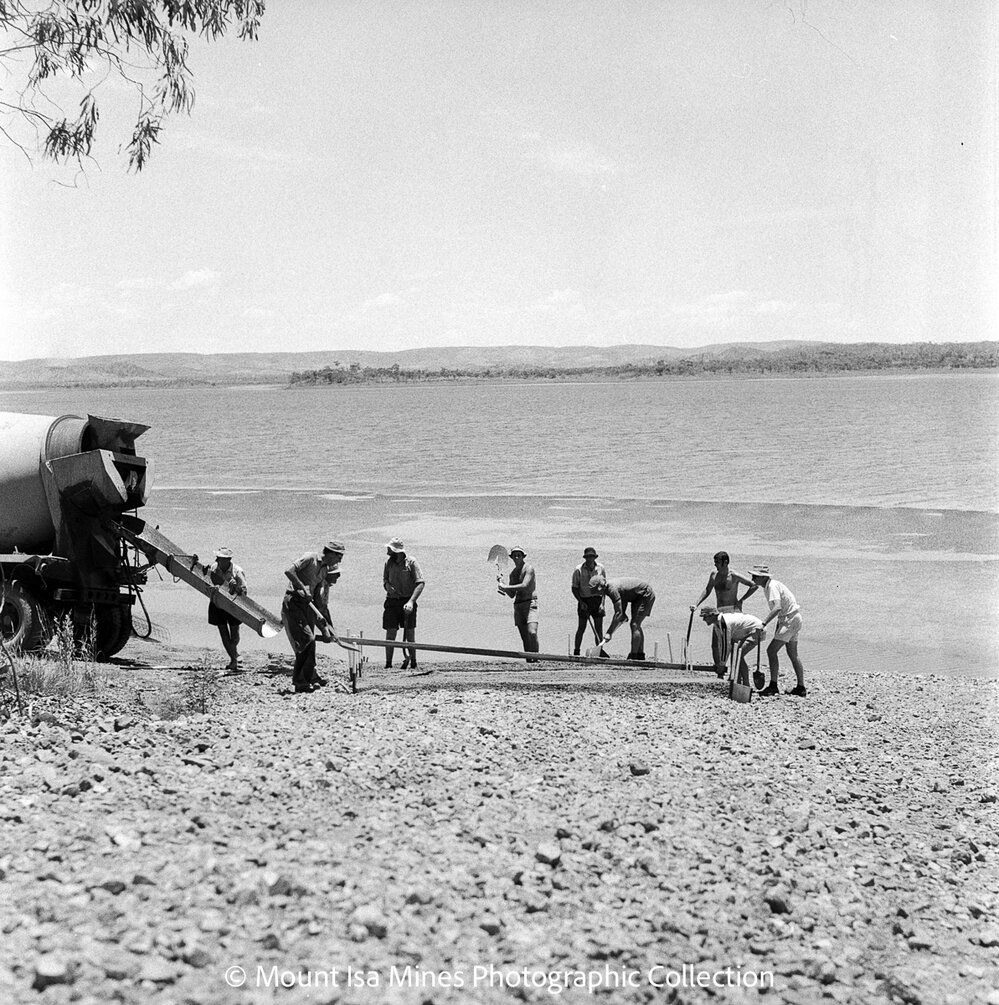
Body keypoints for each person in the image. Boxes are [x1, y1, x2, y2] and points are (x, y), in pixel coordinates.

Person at [282, 540, 344, 694]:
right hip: (294, 602)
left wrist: (327, 629)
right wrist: (302, 588)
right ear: (330, 552)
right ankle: (299, 682)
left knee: (311, 644)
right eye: (339, 556)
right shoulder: (310, 558)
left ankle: (309, 679)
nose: (340, 560)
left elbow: (319, 602)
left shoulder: (324, 571)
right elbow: (289, 571)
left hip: (308, 607)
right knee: (307, 639)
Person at [692, 552, 758, 674]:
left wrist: (742, 600)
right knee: (715, 644)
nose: (715, 565)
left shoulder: (734, 575)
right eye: (715, 562)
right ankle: (719, 670)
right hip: (719, 611)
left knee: (732, 645)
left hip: (732, 611)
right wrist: (696, 604)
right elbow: (707, 590)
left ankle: (734, 673)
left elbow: (753, 585)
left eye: (717, 562)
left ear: (726, 562)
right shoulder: (714, 575)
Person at [748, 565, 806, 697]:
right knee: (792, 653)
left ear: (763, 577)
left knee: (771, 650)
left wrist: (763, 623)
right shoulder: (770, 586)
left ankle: (773, 685)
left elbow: (777, 607)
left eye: (755, 576)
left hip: (789, 619)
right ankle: (801, 687)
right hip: (794, 618)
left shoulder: (772, 586)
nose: (752, 578)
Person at [588, 575, 655, 661]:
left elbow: (618, 613)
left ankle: (634, 656)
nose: (596, 594)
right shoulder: (608, 589)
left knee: (635, 624)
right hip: (635, 596)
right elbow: (621, 611)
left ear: (600, 587)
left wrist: (609, 633)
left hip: (645, 594)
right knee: (635, 625)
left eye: (595, 591)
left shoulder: (612, 589)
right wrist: (622, 616)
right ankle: (640, 655)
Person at [383, 537, 425, 671]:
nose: (387, 552)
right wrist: (387, 586)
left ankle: (413, 662)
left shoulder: (411, 562)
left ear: (397, 551)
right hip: (391, 601)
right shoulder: (388, 563)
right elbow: (384, 580)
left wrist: (411, 602)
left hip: (407, 600)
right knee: (390, 633)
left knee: (410, 633)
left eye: (390, 549)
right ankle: (388, 664)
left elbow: (420, 583)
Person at [698, 607, 765, 683]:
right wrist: (721, 663)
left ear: (712, 615)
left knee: (738, 655)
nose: (703, 619)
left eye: (704, 617)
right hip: (745, 631)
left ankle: (746, 685)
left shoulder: (724, 623)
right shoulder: (717, 624)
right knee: (736, 653)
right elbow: (721, 644)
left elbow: (726, 645)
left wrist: (722, 664)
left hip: (757, 629)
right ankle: (737, 681)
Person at [207, 547, 247, 672]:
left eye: (219, 558)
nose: (216, 560)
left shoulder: (237, 571)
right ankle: (233, 660)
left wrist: (236, 588)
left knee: (234, 636)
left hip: (233, 605)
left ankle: (234, 655)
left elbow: (244, 592)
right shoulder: (213, 568)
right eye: (217, 558)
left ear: (227, 560)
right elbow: (207, 582)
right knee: (223, 632)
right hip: (217, 603)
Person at [497, 545, 539, 661]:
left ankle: (536, 658)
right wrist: (502, 583)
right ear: (511, 557)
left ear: (523, 556)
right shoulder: (513, 573)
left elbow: (524, 585)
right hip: (518, 605)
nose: (516, 557)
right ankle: (529, 660)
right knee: (525, 637)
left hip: (530, 603)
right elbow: (512, 595)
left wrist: (506, 586)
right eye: (514, 555)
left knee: (532, 632)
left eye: (519, 555)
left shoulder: (528, 568)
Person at [571, 546, 606, 655]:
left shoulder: (601, 568)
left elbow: (604, 587)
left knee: (599, 628)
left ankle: (600, 650)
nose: (590, 558)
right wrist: (581, 602)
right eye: (588, 557)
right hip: (584, 600)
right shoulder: (578, 569)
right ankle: (576, 651)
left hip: (597, 600)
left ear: (595, 557)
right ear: (585, 557)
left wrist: (602, 605)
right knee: (581, 628)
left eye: (592, 556)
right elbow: (574, 588)